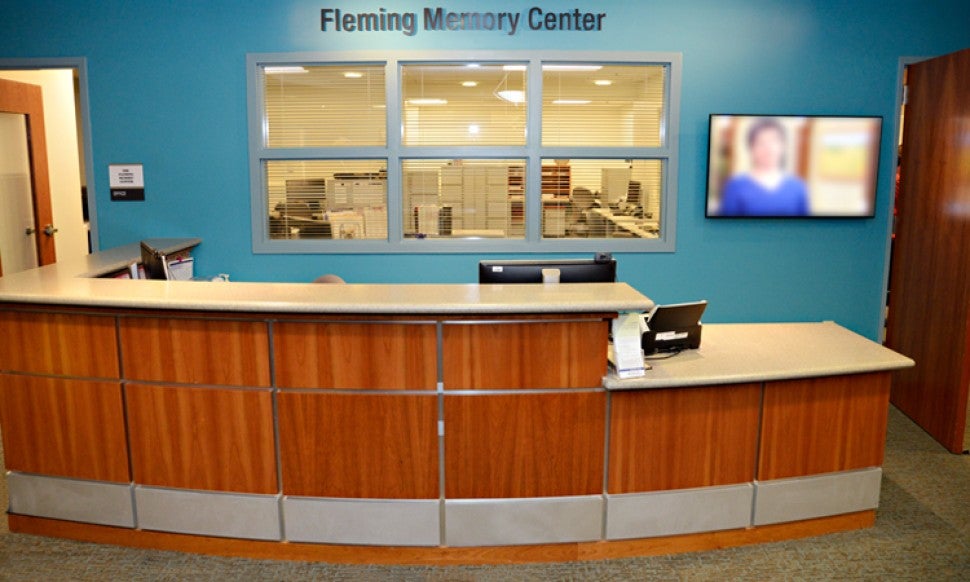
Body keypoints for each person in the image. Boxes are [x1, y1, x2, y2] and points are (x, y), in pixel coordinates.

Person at [719, 118, 809, 216]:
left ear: (783, 146)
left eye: (774, 141)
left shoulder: (798, 187)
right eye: (761, 142)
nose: (768, 148)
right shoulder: (735, 186)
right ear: (751, 149)